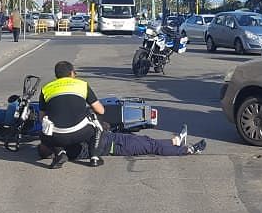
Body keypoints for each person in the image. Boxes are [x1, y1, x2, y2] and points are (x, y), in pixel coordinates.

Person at [38, 60, 105, 168]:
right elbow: (100, 110)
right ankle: (95, 157)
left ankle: (60, 153)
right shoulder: (82, 85)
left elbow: (41, 118)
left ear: (56, 75)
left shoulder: (46, 89)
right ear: (71, 73)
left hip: (56, 137)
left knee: (44, 128)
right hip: (81, 133)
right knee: (97, 119)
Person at [37, 123, 206, 160]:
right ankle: (187, 150)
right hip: (116, 145)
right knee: (151, 146)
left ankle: (176, 141)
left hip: (114, 140)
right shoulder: (70, 150)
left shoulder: (65, 147)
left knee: (147, 141)